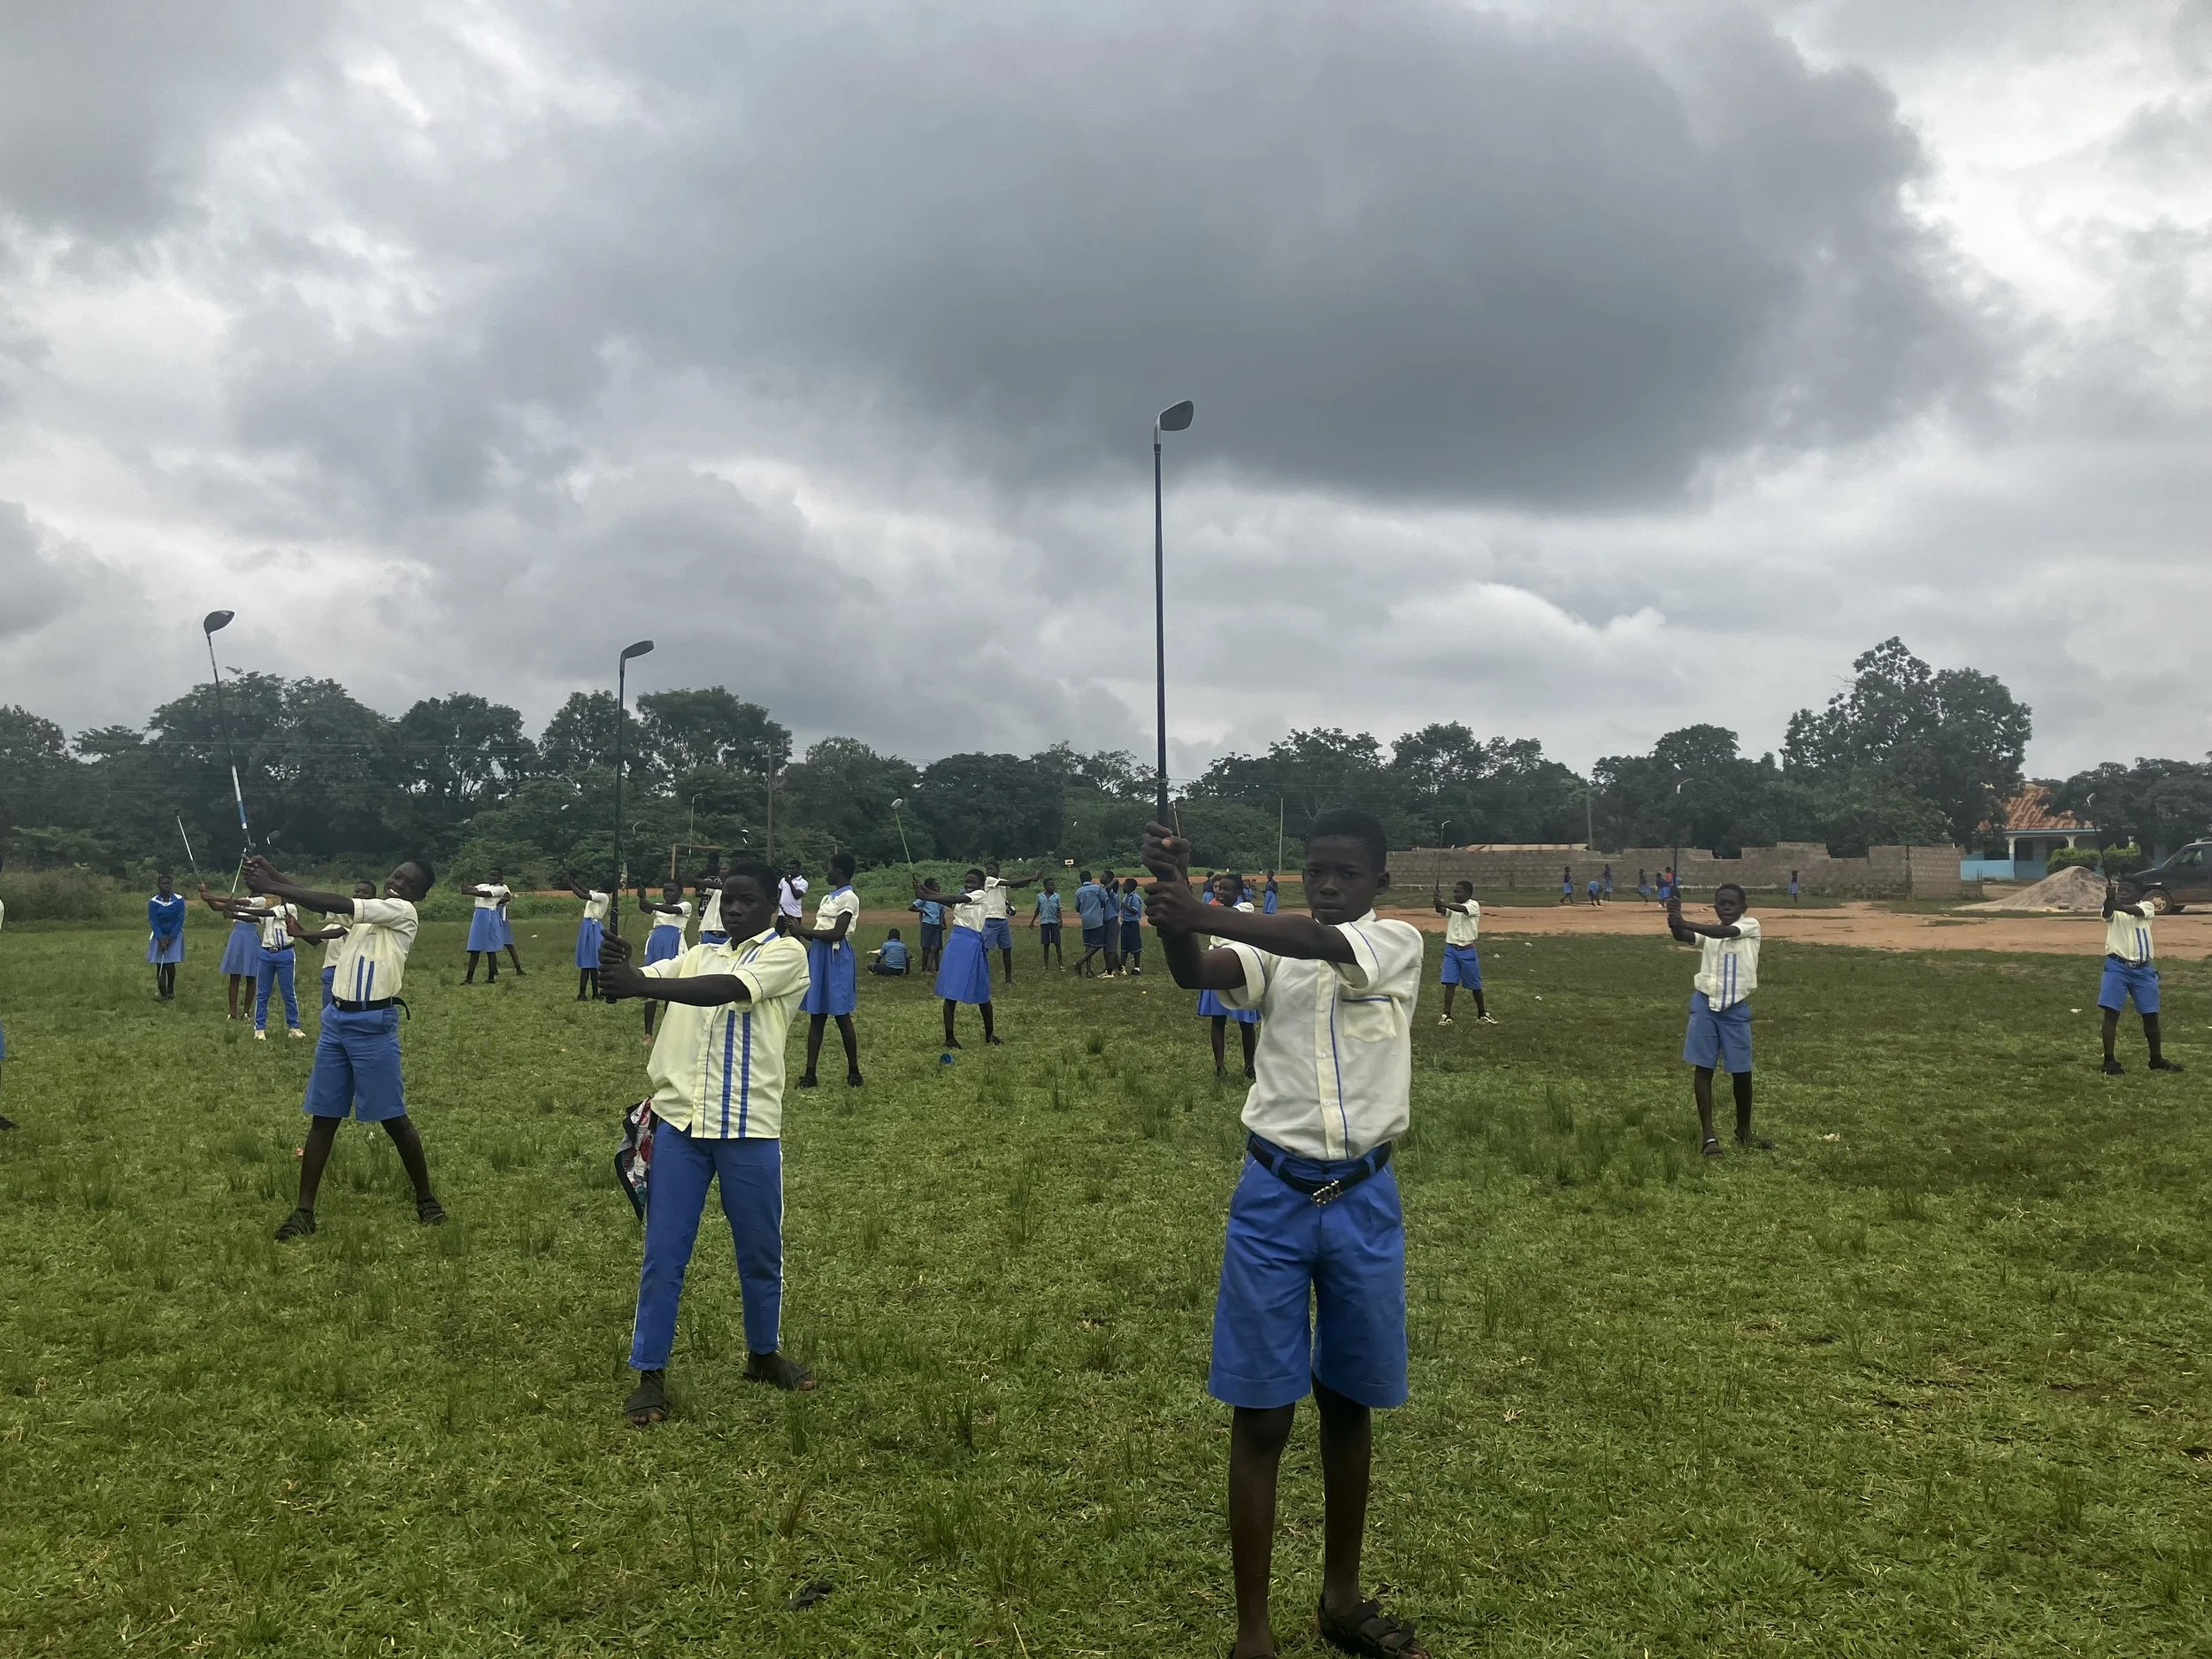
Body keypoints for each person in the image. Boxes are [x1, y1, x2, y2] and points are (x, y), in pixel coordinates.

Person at [1143, 808, 1429, 1659]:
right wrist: (1173, 908)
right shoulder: (1271, 951)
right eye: (1317, 870)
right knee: (1262, 1415)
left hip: (1364, 1198)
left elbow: (1320, 943)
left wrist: (1203, 907)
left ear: (1381, 881)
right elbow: (1197, 965)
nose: (1331, 883)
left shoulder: (1397, 943)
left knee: (1348, 1403)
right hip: (1272, 1197)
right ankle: (1252, 1635)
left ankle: (1340, 1600)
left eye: (1348, 871)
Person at [597, 862, 818, 1424]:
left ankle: (763, 1354)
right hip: (680, 1126)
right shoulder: (700, 952)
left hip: (748, 1126)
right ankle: (650, 1374)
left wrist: (641, 984)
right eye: (729, 900)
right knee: (664, 1253)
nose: (735, 909)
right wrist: (620, 963)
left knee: (760, 1251)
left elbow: (725, 992)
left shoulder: (786, 955)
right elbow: (654, 973)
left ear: (775, 906)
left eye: (748, 901)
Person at [244, 854, 447, 1240]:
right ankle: (304, 1212)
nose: (396, 883)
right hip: (336, 1022)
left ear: (418, 895)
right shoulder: (367, 916)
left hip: (373, 1026)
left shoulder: (401, 913)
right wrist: (272, 875)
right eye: (395, 875)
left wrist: (271, 887)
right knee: (324, 1117)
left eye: (406, 882)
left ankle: (426, 1198)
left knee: (393, 1118)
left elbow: (333, 902)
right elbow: (318, 902)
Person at [1667, 882, 1767, 1156]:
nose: (1725, 907)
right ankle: (1708, 1136)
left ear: (1743, 908)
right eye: (1720, 903)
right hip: (1705, 1003)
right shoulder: (1709, 933)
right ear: (1714, 906)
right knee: (1703, 1066)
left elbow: (1723, 932)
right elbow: (1683, 936)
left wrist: (1687, 921)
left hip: (1735, 1010)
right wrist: (1674, 918)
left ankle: (1743, 1131)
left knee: (1742, 1072)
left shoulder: (1750, 927)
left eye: (1731, 903)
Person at [2099, 877, 2185, 1074]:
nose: (2122, 893)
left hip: (2144, 970)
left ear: (2137, 895)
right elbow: (2107, 913)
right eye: (2119, 891)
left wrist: (2116, 902)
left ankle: (2156, 1059)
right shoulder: (2113, 912)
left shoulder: (2146, 907)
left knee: (2151, 1015)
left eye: (2127, 891)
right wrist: (2108, 900)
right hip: (2117, 966)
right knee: (2111, 1013)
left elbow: (2133, 911)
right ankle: (2109, 1061)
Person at [795, 851, 864, 1089]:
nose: (827, 871)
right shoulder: (828, 898)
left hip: (835, 956)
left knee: (842, 1015)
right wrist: (798, 931)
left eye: (830, 867)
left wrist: (806, 932)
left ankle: (854, 1072)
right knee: (817, 1015)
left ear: (840, 871)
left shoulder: (849, 898)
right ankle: (810, 1073)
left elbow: (837, 932)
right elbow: (821, 929)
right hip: (819, 954)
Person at [921, 871, 1000, 1048]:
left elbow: (952, 898)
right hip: (957, 941)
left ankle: (990, 1035)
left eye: (972, 882)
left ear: (981, 885)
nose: (969, 885)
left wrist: (926, 895)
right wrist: (924, 890)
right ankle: (949, 1038)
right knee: (951, 991)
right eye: (966, 882)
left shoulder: (980, 895)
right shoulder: (962, 900)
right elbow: (947, 898)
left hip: (972, 943)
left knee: (982, 990)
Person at [1194, 873, 1260, 1079]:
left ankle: (1249, 1065)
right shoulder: (1218, 909)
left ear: (1239, 892)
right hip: (1217, 966)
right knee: (1218, 1020)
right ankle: (1219, 1065)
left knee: (1246, 1022)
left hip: (1240, 968)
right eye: (1219, 888)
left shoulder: (1244, 909)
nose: (1220, 892)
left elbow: (1228, 917)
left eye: (1226, 889)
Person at [290, 882, 373, 1009]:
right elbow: (315, 941)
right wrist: (297, 926)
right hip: (330, 971)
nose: (359, 895)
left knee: (344, 1009)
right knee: (328, 1009)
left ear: (373, 899)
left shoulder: (366, 922)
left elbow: (337, 933)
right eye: (357, 891)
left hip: (348, 972)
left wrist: (301, 932)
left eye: (365, 892)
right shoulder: (341, 920)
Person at [635, 882, 695, 1041]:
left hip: (674, 945)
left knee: (671, 985)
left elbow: (673, 910)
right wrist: (642, 899)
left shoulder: (686, 905)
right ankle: (648, 1033)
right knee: (651, 985)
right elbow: (646, 909)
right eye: (665, 891)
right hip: (656, 944)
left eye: (672, 891)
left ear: (680, 892)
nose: (668, 894)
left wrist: (649, 904)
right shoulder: (657, 906)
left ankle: (669, 1031)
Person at [1432, 879, 1492, 1025]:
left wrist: (1443, 902)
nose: (1455, 894)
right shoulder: (1453, 908)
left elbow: (1460, 909)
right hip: (1451, 949)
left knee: (1475, 984)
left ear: (1468, 893)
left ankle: (1482, 1013)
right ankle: (1446, 1015)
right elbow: (1442, 911)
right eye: (1454, 891)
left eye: (1458, 892)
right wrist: (1437, 903)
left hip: (1467, 950)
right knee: (1450, 982)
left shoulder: (1473, 905)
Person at [980, 860, 1038, 984]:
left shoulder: (1001, 881)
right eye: (988, 869)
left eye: (992, 869)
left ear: (998, 870)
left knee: (1007, 949)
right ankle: (981, 976)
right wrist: (1031, 877)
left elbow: (1019, 885)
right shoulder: (988, 881)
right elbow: (1013, 883)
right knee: (984, 950)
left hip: (1002, 919)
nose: (989, 872)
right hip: (991, 918)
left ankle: (1008, 979)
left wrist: (1032, 879)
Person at [461, 869, 513, 984]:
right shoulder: (483, 885)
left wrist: (468, 891)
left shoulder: (501, 888)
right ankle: (469, 978)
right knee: (474, 948)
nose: (492, 877)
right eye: (491, 875)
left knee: (491, 949)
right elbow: (475, 889)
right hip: (478, 915)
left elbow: (486, 895)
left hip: (490, 915)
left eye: (495, 876)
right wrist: (466, 886)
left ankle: (491, 977)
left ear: (500, 878)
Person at [565, 876, 611, 1001]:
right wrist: (573, 880)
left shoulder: (603, 897)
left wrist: (569, 884)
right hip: (588, 925)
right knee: (589, 962)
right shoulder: (598, 895)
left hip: (593, 926)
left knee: (591, 962)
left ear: (604, 888)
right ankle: (590, 993)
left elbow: (582, 895)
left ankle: (588, 993)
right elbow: (585, 890)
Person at [216, 887, 260, 1019]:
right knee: (234, 975)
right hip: (237, 935)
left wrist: (213, 896)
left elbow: (242, 903)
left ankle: (246, 1012)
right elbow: (216, 906)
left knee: (251, 975)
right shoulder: (241, 901)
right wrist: (205, 896)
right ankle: (232, 1012)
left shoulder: (260, 901)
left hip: (251, 936)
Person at [147, 874, 185, 1001]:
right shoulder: (153, 902)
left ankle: (170, 990)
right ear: (158, 886)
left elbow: (180, 919)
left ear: (171, 885)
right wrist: (161, 939)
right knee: (161, 964)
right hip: (159, 936)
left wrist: (170, 938)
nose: (166, 886)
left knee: (170, 964)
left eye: (168, 884)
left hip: (174, 936)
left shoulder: (179, 900)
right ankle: (162, 993)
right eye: (163, 884)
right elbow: (154, 921)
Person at [1030, 877, 1064, 968]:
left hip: (1054, 922)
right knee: (1046, 944)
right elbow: (1037, 910)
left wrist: (1061, 920)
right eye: (1050, 885)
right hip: (1044, 922)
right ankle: (1046, 965)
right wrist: (1032, 921)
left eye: (1053, 885)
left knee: (1057, 943)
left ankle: (1060, 964)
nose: (1052, 887)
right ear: (1045, 886)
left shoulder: (1057, 896)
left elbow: (1058, 909)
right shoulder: (1040, 896)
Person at [910, 889, 946, 972]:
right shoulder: (925, 898)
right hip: (927, 923)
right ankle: (924, 968)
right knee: (926, 948)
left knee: (934, 948)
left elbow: (941, 912)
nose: (938, 889)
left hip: (936, 925)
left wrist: (941, 923)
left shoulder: (938, 898)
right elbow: (912, 907)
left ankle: (928, 968)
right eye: (935, 887)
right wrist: (924, 911)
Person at [1119, 877, 1148, 975]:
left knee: (1135, 947)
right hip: (1125, 924)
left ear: (1129, 886)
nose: (1123, 886)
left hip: (1132, 925)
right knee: (1124, 947)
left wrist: (1124, 905)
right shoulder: (1126, 897)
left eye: (1124, 885)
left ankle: (1137, 968)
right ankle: (1122, 967)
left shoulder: (1135, 897)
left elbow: (1135, 910)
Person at [777, 859, 808, 934]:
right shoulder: (783, 880)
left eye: (793, 868)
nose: (790, 870)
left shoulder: (803, 882)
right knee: (777, 934)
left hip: (795, 914)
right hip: (782, 913)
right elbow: (779, 891)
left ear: (799, 869)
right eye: (789, 868)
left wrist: (790, 883)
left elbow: (797, 895)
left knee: (795, 935)